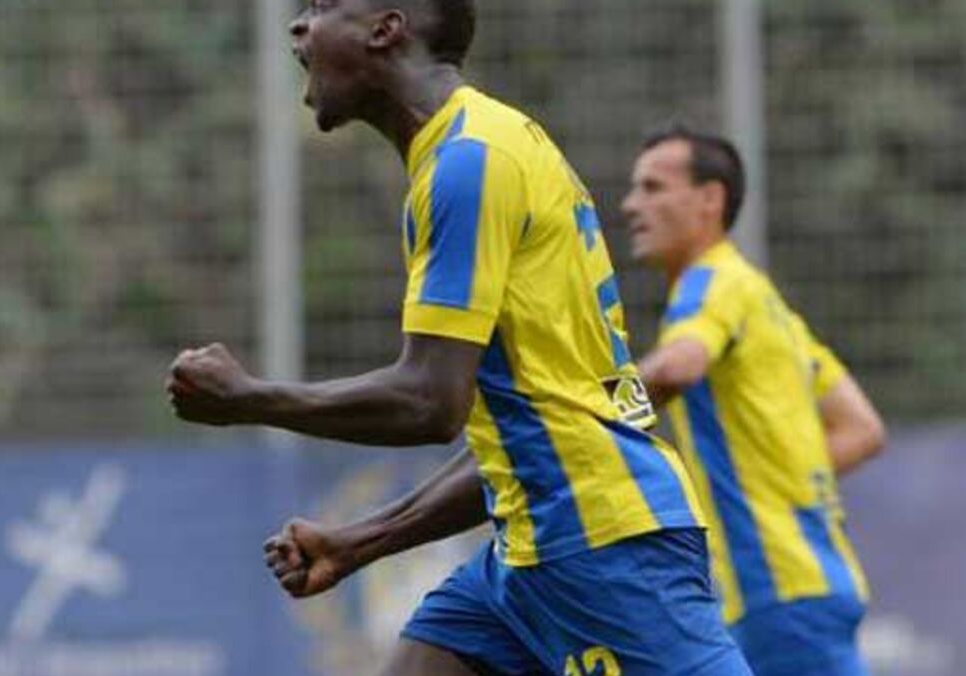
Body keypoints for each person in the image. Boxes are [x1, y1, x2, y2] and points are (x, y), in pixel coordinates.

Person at [167, 1, 751, 674]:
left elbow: (429, 401)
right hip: (530, 546)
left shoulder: (468, 163)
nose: (299, 25)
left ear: (385, 29)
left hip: (601, 543)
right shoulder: (482, 143)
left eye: (322, 5)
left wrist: (250, 398)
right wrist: (360, 541)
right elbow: (525, 431)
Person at [618, 126, 886, 676]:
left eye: (652, 187)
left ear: (709, 199)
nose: (630, 205)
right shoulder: (768, 306)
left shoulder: (710, 283)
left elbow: (677, 366)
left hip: (773, 590)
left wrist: (579, 413)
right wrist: (773, 482)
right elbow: (861, 428)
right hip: (812, 577)